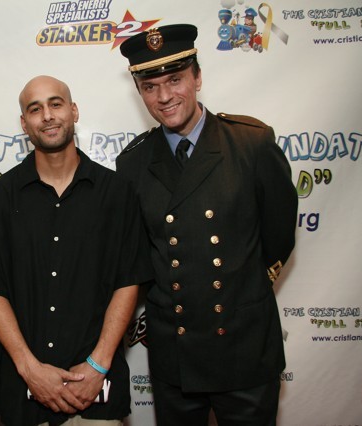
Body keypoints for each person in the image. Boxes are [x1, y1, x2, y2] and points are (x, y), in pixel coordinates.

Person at [117, 25, 298, 425]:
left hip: (244, 344)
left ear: (198, 78)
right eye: (150, 86)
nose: (164, 96)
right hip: (175, 353)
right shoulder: (132, 164)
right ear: (140, 92)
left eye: (175, 80)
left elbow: (279, 236)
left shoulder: (251, 143)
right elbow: (141, 256)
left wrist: (240, 289)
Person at [0, 75, 152, 426]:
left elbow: (128, 281)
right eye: (35, 109)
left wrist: (98, 365)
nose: (47, 116)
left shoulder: (116, 192)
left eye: (55, 104)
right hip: (22, 390)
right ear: (24, 123)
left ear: (74, 111)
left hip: (97, 390)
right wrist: (30, 369)